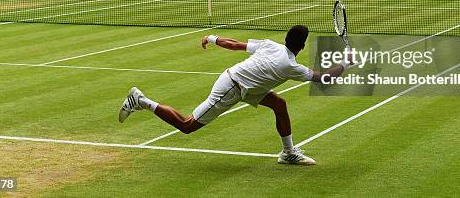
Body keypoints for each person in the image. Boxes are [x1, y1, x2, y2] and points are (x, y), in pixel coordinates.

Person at [118, 25, 357, 165]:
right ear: (302, 46)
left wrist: (212, 38)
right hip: (232, 88)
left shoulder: (271, 45)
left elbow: (235, 45)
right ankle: (141, 100)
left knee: (279, 104)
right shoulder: (290, 66)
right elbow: (323, 78)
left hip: (249, 87)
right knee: (187, 125)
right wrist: (346, 64)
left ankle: (288, 152)